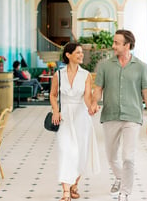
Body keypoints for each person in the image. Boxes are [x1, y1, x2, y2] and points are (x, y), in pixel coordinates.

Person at [91, 29, 147, 201]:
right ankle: (120, 177)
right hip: (110, 115)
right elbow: (97, 90)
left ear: (127, 45)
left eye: (117, 43)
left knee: (128, 157)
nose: (113, 46)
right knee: (111, 157)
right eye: (114, 42)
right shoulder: (105, 65)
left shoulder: (141, 67)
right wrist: (93, 103)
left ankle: (125, 192)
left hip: (132, 116)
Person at [50, 42, 100, 201]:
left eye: (81, 53)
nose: (81, 55)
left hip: (81, 117)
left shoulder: (86, 75)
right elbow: (52, 95)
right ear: (68, 55)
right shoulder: (58, 74)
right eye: (77, 52)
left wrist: (92, 106)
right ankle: (65, 191)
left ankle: (74, 184)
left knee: (81, 154)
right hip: (64, 116)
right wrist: (55, 111)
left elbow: (86, 97)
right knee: (66, 150)